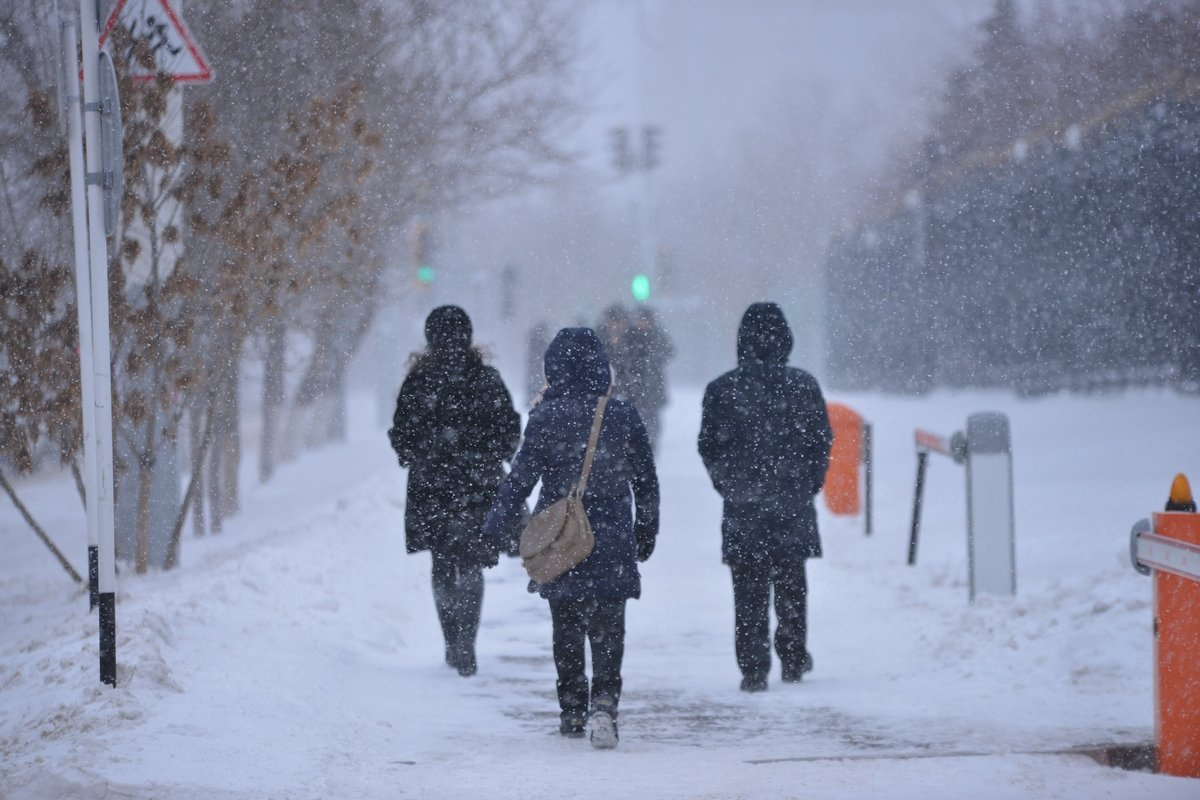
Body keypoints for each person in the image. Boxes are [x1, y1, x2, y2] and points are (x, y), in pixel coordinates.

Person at [484, 327, 659, 749]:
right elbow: (646, 479)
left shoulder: (546, 416)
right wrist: (647, 527)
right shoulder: (621, 414)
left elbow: (520, 480)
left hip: (561, 537)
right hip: (612, 533)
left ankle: (573, 709)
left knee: (566, 623)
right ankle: (604, 703)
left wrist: (493, 527)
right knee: (609, 626)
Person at [697, 302, 833, 692]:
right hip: (791, 502)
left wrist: (730, 484)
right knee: (792, 583)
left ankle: (753, 667)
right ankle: (793, 656)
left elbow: (709, 447)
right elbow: (820, 442)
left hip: (744, 506)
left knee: (748, 590)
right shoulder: (803, 386)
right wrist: (807, 484)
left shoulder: (722, 390)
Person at [388, 305, 521, 677]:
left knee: (443, 564)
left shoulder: (419, 381)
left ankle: (452, 644)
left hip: (433, 488)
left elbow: (402, 436)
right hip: (476, 486)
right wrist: (483, 455)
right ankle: (467, 646)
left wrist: (426, 453)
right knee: (472, 563)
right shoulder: (487, 379)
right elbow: (510, 431)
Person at [623, 306, 674, 454]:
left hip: (653, 386)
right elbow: (623, 357)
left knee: (652, 419)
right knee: (634, 418)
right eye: (641, 320)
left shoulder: (657, 336)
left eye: (646, 320)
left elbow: (669, 352)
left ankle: (651, 445)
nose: (643, 323)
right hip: (634, 386)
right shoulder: (630, 336)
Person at [595, 304, 631, 398]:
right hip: (604, 392)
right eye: (614, 322)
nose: (617, 326)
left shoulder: (632, 340)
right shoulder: (598, 339)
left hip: (629, 391)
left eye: (620, 322)